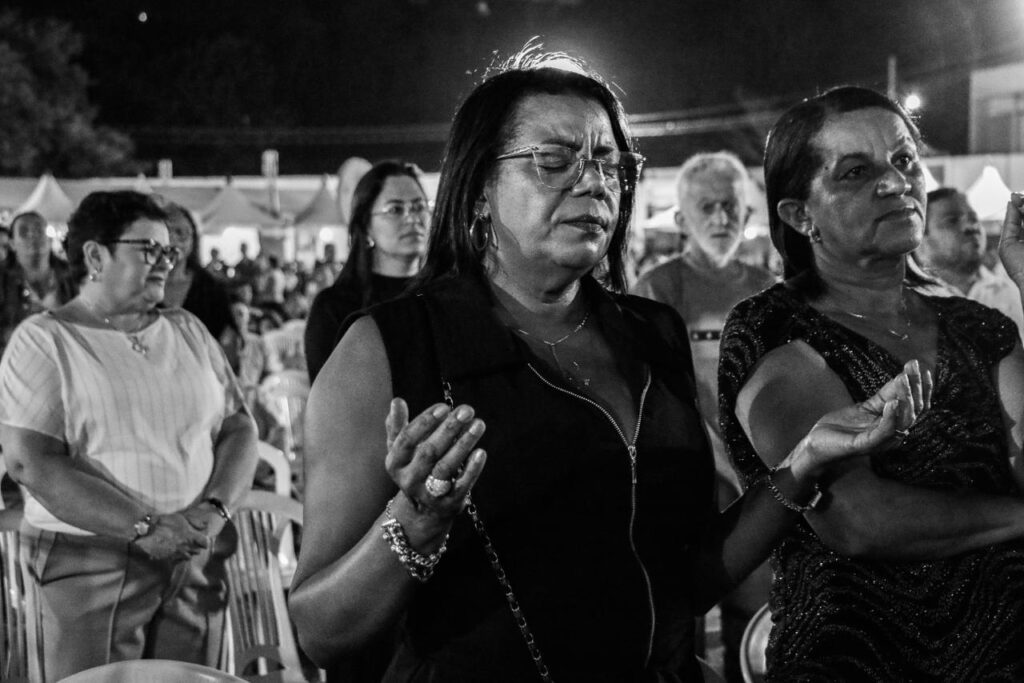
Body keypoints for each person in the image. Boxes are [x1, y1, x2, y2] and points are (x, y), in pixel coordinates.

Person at [288, 54, 924, 682]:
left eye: (610, 165)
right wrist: (416, 521)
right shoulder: (388, 348)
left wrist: (804, 465)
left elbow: (683, 578)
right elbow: (321, 631)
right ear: (480, 186)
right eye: (554, 161)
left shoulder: (650, 333)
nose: (592, 183)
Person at [718, 86, 1024, 680]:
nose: (894, 183)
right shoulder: (774, 329)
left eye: (905, 160)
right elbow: (860, 519)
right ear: (799, 214)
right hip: (859, 663)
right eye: (856, 172)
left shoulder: (980, 328)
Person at [0, 190, 258, 681]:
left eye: (169, 251)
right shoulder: (46, 339)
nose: (166, 262)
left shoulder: (187, 329)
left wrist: (215, 510)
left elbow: (239, 426)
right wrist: (145, 527)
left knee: (192, 678)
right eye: (149, 250)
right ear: (95, 255)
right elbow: (30, 462)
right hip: (94, 561)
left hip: (194, 552)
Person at [631, 151, 775, 681]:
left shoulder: (768, 289)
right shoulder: (656, 290)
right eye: (707, 207)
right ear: (681, 219)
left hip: (756, 490)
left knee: (754, 627)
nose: (721, 219)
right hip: (684, 488)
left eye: (730, 206)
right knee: (675, 638)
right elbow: (660, 397)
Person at [304, 160, 430, 382]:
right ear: (366, 227)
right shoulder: (335, 308)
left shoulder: (441, 297)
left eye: (419, 207)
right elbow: (328, 402)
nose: (412, 218)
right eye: (395, 209)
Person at [914, 187, 1024, 339]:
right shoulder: (911, 299)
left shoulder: (1012, 290)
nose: (971, 227)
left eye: (973, 219)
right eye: (952, 221)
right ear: (920, 237)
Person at [159, 202, 237, 344]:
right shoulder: (140, 286)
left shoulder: (211, 288)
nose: (173, 241)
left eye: (181, 233)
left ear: (193, 240)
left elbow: (227, 339)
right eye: (165, 232)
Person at [0, 211, 73, 353]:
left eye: (39, 230)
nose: (33, 235)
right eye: (24, 231)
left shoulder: (71, 276)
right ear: (12, 243)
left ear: (49, 239)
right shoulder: (2, 280)